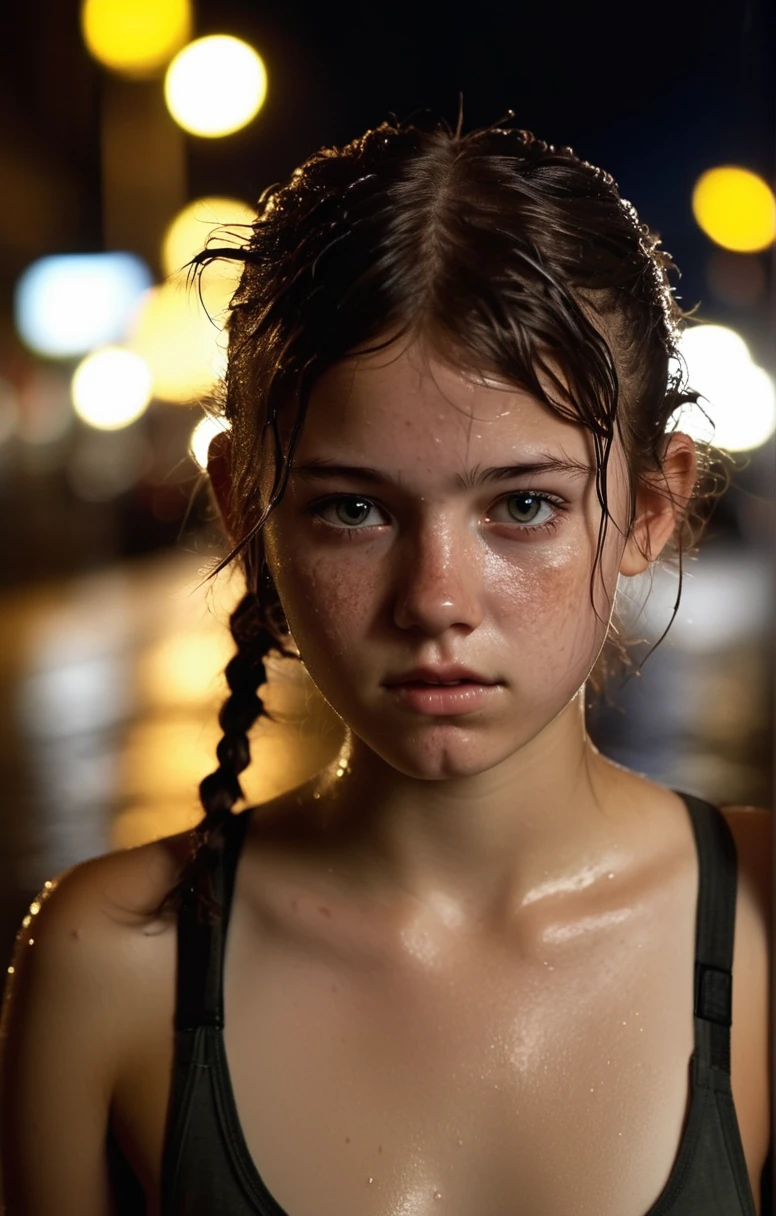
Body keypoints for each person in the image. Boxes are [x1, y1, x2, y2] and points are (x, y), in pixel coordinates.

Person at [0, 113, 771, 1216]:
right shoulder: (111, 965)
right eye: (353, 508)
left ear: (650, 505)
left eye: (522, 505)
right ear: (243, 509)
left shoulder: (760, 918)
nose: (435, 600)